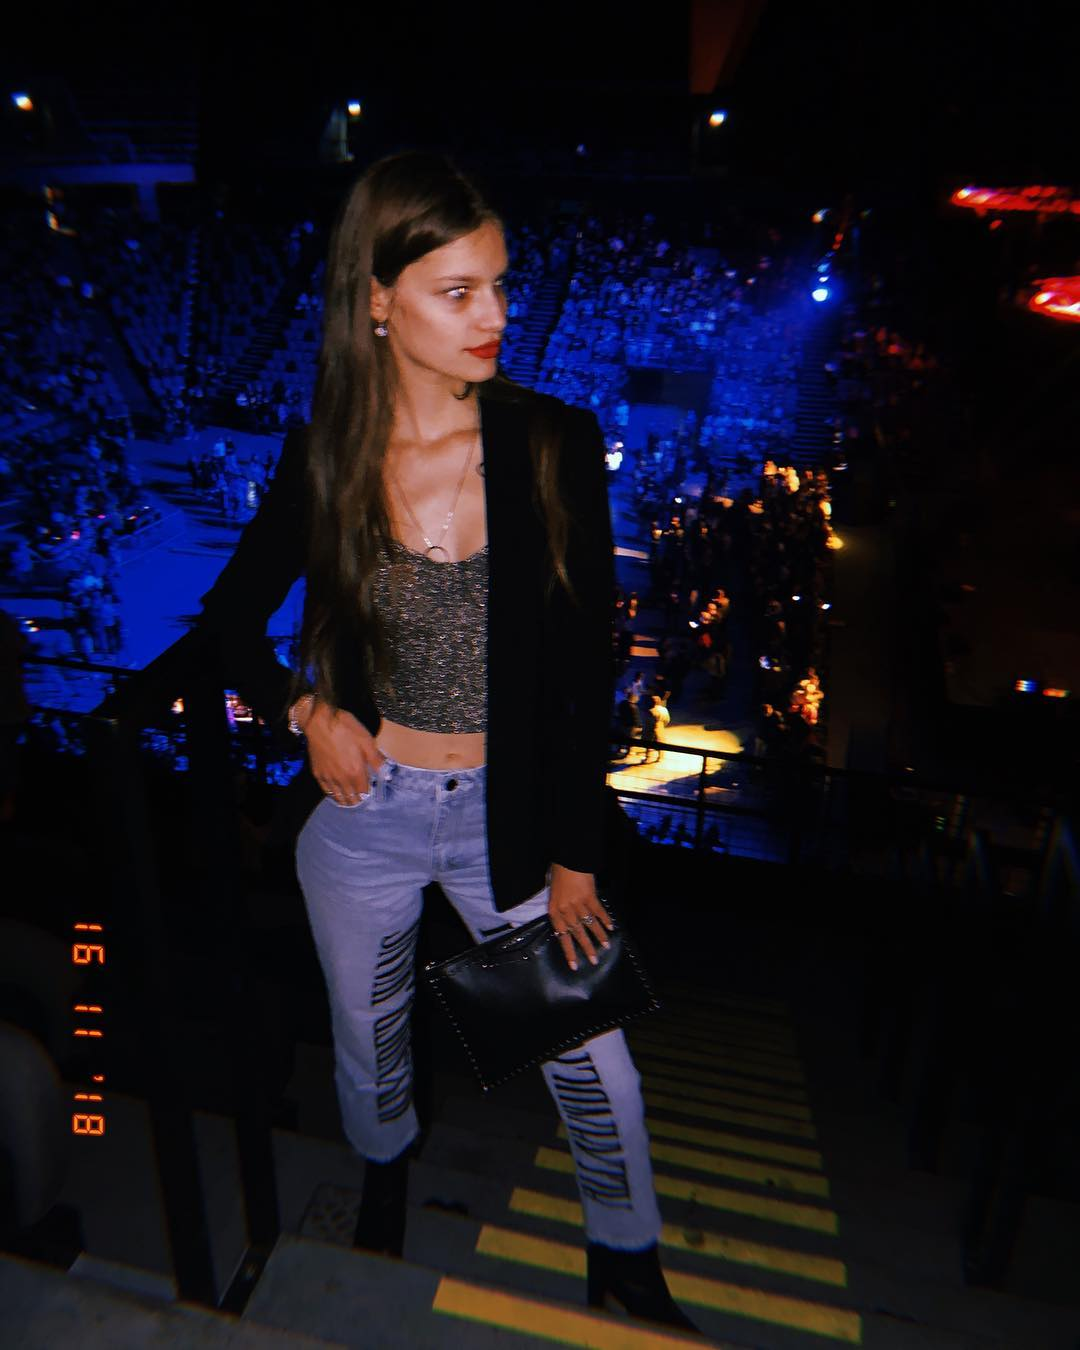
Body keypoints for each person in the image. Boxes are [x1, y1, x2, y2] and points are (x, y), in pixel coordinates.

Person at [194, 152, 696, 1334]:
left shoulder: (551, 443)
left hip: (505, 825)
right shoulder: (328, 455)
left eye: (500, 285)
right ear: (378, 300)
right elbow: (225, 627)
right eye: (458, 291)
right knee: (369, 1047)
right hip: (364, 817)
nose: (496, 315)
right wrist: (306, 710)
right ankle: (381, 1188)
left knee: (596, 1066)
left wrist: (574, 855)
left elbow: (580, 675)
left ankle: (627, 1268)